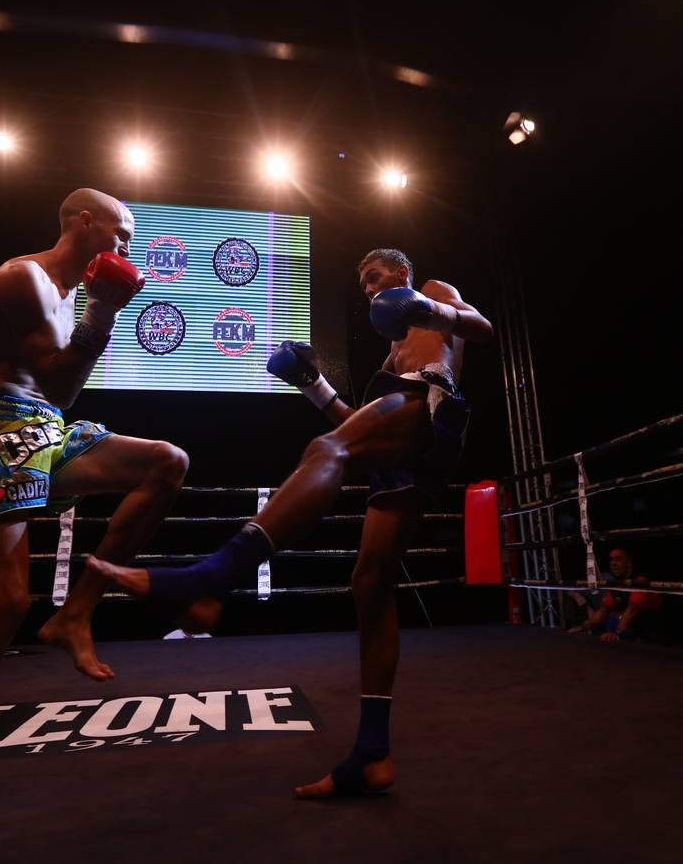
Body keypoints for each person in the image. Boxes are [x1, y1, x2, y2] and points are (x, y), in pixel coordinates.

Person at [91, 247, 492, 799]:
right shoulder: (390, 352)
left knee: (324, 450)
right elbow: (356, 429)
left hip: (430, 406)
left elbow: (484, 327)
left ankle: (211, 574)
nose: (368, 284)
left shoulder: (434, 296)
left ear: (403, 273)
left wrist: (427, 306)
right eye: (361, 279)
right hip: (405, 441)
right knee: (370, 585)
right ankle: (372, 753)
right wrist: (312, 383)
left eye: (375, 274)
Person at [0, 188, 191, 864]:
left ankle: (76, 613)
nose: (127, 250)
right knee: (1, 608)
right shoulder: (26, 278)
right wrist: (104, 312)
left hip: (48, 431)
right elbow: (60, 383)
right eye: (121, 235)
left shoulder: (41, 287)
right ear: (84, 224)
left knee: (165, 465)